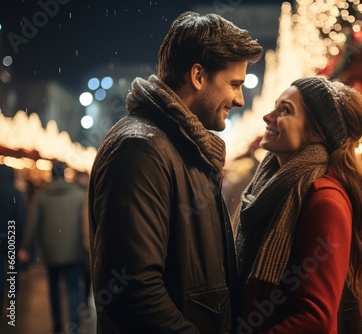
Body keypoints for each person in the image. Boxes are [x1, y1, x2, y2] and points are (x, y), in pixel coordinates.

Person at [88, 11, 263, 334]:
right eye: (234, 84)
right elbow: (133, 291)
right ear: (198, 76)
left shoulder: (179, 145)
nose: (239, 99)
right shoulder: (141, 149)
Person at [233, 77, 362, 333]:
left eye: (285, 110)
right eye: (275, 107)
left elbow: (315, 319)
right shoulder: (272, 188)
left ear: (315, 132)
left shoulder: (325, 199)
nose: (268, 116)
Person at [19, 161, 86, 334]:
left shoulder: (41, 196)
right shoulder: (79, 195)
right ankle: (74, 325)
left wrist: (25, 247)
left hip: (51, 252)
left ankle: (56, 325)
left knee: (54, 289)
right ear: (64, 174)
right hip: (74, 251)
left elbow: (32, 223)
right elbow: (85, 224)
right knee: (73, 289)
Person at [0, 165, 26, 315]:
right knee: (12, 270)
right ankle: (11, 299)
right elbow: (21, 218)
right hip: (11, 237)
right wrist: (21, 242)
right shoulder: (15, 193)